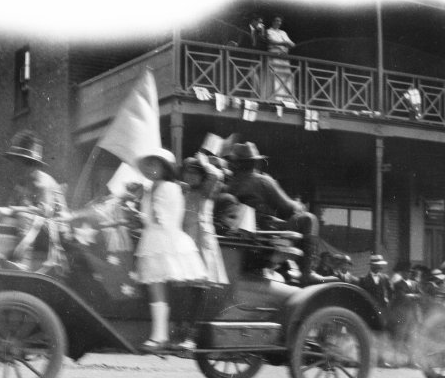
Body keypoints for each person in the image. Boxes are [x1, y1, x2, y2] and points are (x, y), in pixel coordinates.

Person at [225, 141, 336, 285]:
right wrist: (299, 205)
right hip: (261, 235)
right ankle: (307, 273)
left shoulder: (230, 185)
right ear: (254, 163)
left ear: (236, 164)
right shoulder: (261, 181)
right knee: (308, 219)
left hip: (239, 235)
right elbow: (289, 208)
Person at [134, 148, 208, 352]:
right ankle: (160, 335)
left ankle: (165, 336)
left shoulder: (169, 188)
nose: (150, 169)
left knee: (162, 288)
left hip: (167, 241)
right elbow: (147, 217)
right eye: (147, 165)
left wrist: (145, 215)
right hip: (153, 239)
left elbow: (164, 218)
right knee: (156, 289)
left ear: (164, 168)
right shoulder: (151, 188)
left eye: (154, 165)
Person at [0, 130, 68, 273]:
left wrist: (13, 210)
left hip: (56, 232)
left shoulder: (43, 183)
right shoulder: (21, 185)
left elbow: (45, 213)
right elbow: (9, 211)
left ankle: (23, 263)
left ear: (29, 164)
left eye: (17, 162)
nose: (14, 166)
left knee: (24, 216)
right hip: (36, 232)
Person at [180, 153, 229, 285]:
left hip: (200, 235)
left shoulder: (206, 190)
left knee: (202, 274)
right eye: (188, 172)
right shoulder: (184, 190)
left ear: (203, 176)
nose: (190, 176)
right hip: (185, 233)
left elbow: (215, 175)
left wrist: (205, 163)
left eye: (195, 173)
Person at [358, 253, 394, 367]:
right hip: (368, 312)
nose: (379, 267)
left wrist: (388, 301)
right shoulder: (363, 280)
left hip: (382, 311)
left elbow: (391, 292)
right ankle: (367, 360)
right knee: (368, 335)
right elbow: (361, 296)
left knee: (382, 336)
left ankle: (381, 360)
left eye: (380, 265)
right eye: (376, 265)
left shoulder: (385, 278)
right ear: (371, 266)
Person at [266, 16, 296, 101]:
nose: (278, 23)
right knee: (276, 75)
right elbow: (271, 41)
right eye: (276, 21)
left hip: (284, 57)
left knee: (286, 76)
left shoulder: (283, 32)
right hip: (275, 56)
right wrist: (284, 43)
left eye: (280, 21)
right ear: (273, 22)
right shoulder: (269, 31)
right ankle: (276, 98)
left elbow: (291, 43)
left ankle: (287, 98)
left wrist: (288, 43)